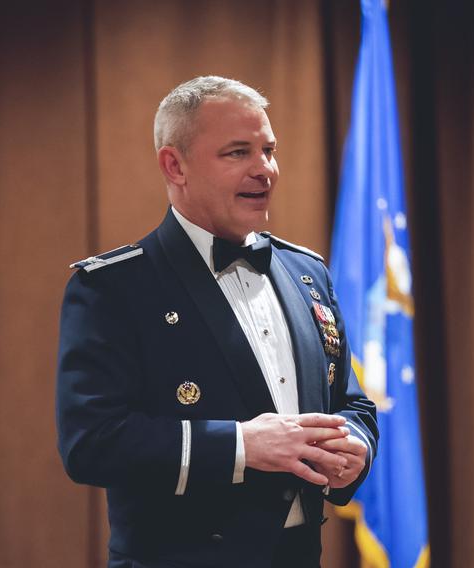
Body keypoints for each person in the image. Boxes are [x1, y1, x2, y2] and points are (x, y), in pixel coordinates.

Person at [56, 76, 378, 568]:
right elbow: (91, 443)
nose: (265, 169)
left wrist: (353, 445)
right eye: (237, 153)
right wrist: (242, 446)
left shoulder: (307, 273)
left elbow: (349, 400)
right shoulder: (113, 287)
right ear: (174, 165)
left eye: (268, 150)